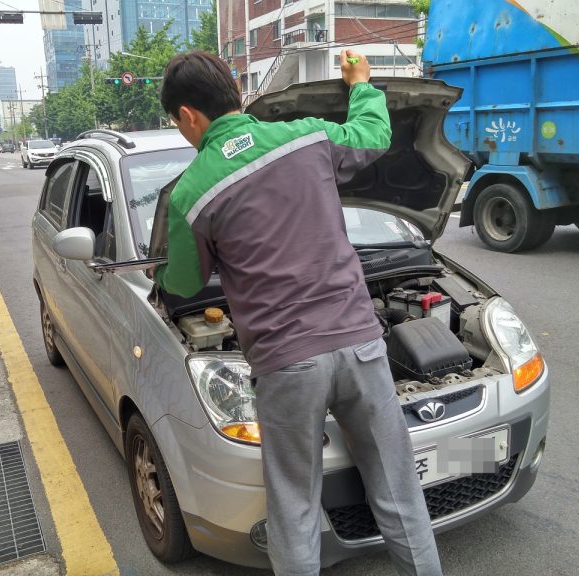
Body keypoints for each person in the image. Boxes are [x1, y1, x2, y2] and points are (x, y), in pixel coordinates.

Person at [156, 50, 442, 576]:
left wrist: (164, 271)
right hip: (359, 344)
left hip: (286, 365)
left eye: (177, 122)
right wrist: (360, 83)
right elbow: (373, 133)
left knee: (295, 510)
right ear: (236, 94)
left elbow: (186, 282)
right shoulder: (306, 136)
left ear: (189, 116)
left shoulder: (192, 193)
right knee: (399, 491)